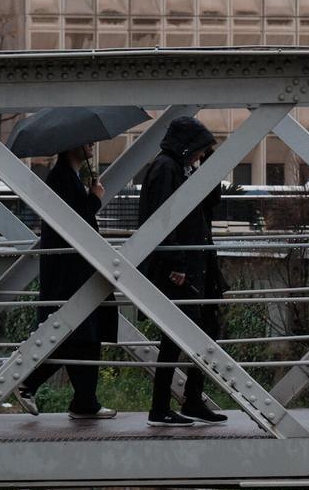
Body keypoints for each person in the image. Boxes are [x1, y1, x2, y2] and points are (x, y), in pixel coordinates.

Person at [138, 116, 230, 427]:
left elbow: (211, 200)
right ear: (188, 145)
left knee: (199, 331)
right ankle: (162, 406)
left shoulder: (181, 168)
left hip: (195, 265)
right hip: (181, 268)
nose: (201, 155)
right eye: (201, 150)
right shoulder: (166, 168)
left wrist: (209, 164)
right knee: (177, 337)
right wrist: (175, 262)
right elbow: (161, 218)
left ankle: (189, 401)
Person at [14, 144, 118, 419]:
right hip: (71, 273)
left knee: (83, 335)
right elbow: (75, 224)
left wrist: (89, 196)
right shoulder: (61, 178)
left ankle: (84, 400)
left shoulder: (64, 177)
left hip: (72, 271)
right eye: (86, 144)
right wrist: (94, 199)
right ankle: (31, 383)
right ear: (72, 147)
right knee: (78, 334)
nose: (91, 148)